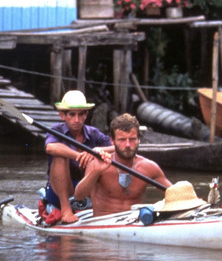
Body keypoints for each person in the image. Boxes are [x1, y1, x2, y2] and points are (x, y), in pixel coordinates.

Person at [74, 113, 171, 217]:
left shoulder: (149, 167)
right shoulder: (98, 163)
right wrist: (96, 171)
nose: (128, 145)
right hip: (104, 222)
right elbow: (79, 196)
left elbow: (175, 194)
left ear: (139, 139)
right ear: (112, 141)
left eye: (132, 139)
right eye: (122, 140)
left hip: (134, 222)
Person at [44, 90, 112, 224]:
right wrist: (78, 155)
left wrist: (96, 151)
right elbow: (50, 147)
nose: (77, 120)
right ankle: (65, 209)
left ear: (86, 115)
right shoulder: (56, 130)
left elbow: (116, 148)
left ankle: (96, 211)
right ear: (62, 115)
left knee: (99, 158)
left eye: (81, 114)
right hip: (60, 190)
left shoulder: (94, 133)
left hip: (86, 189)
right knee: (60, 156)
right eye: (72, 115)